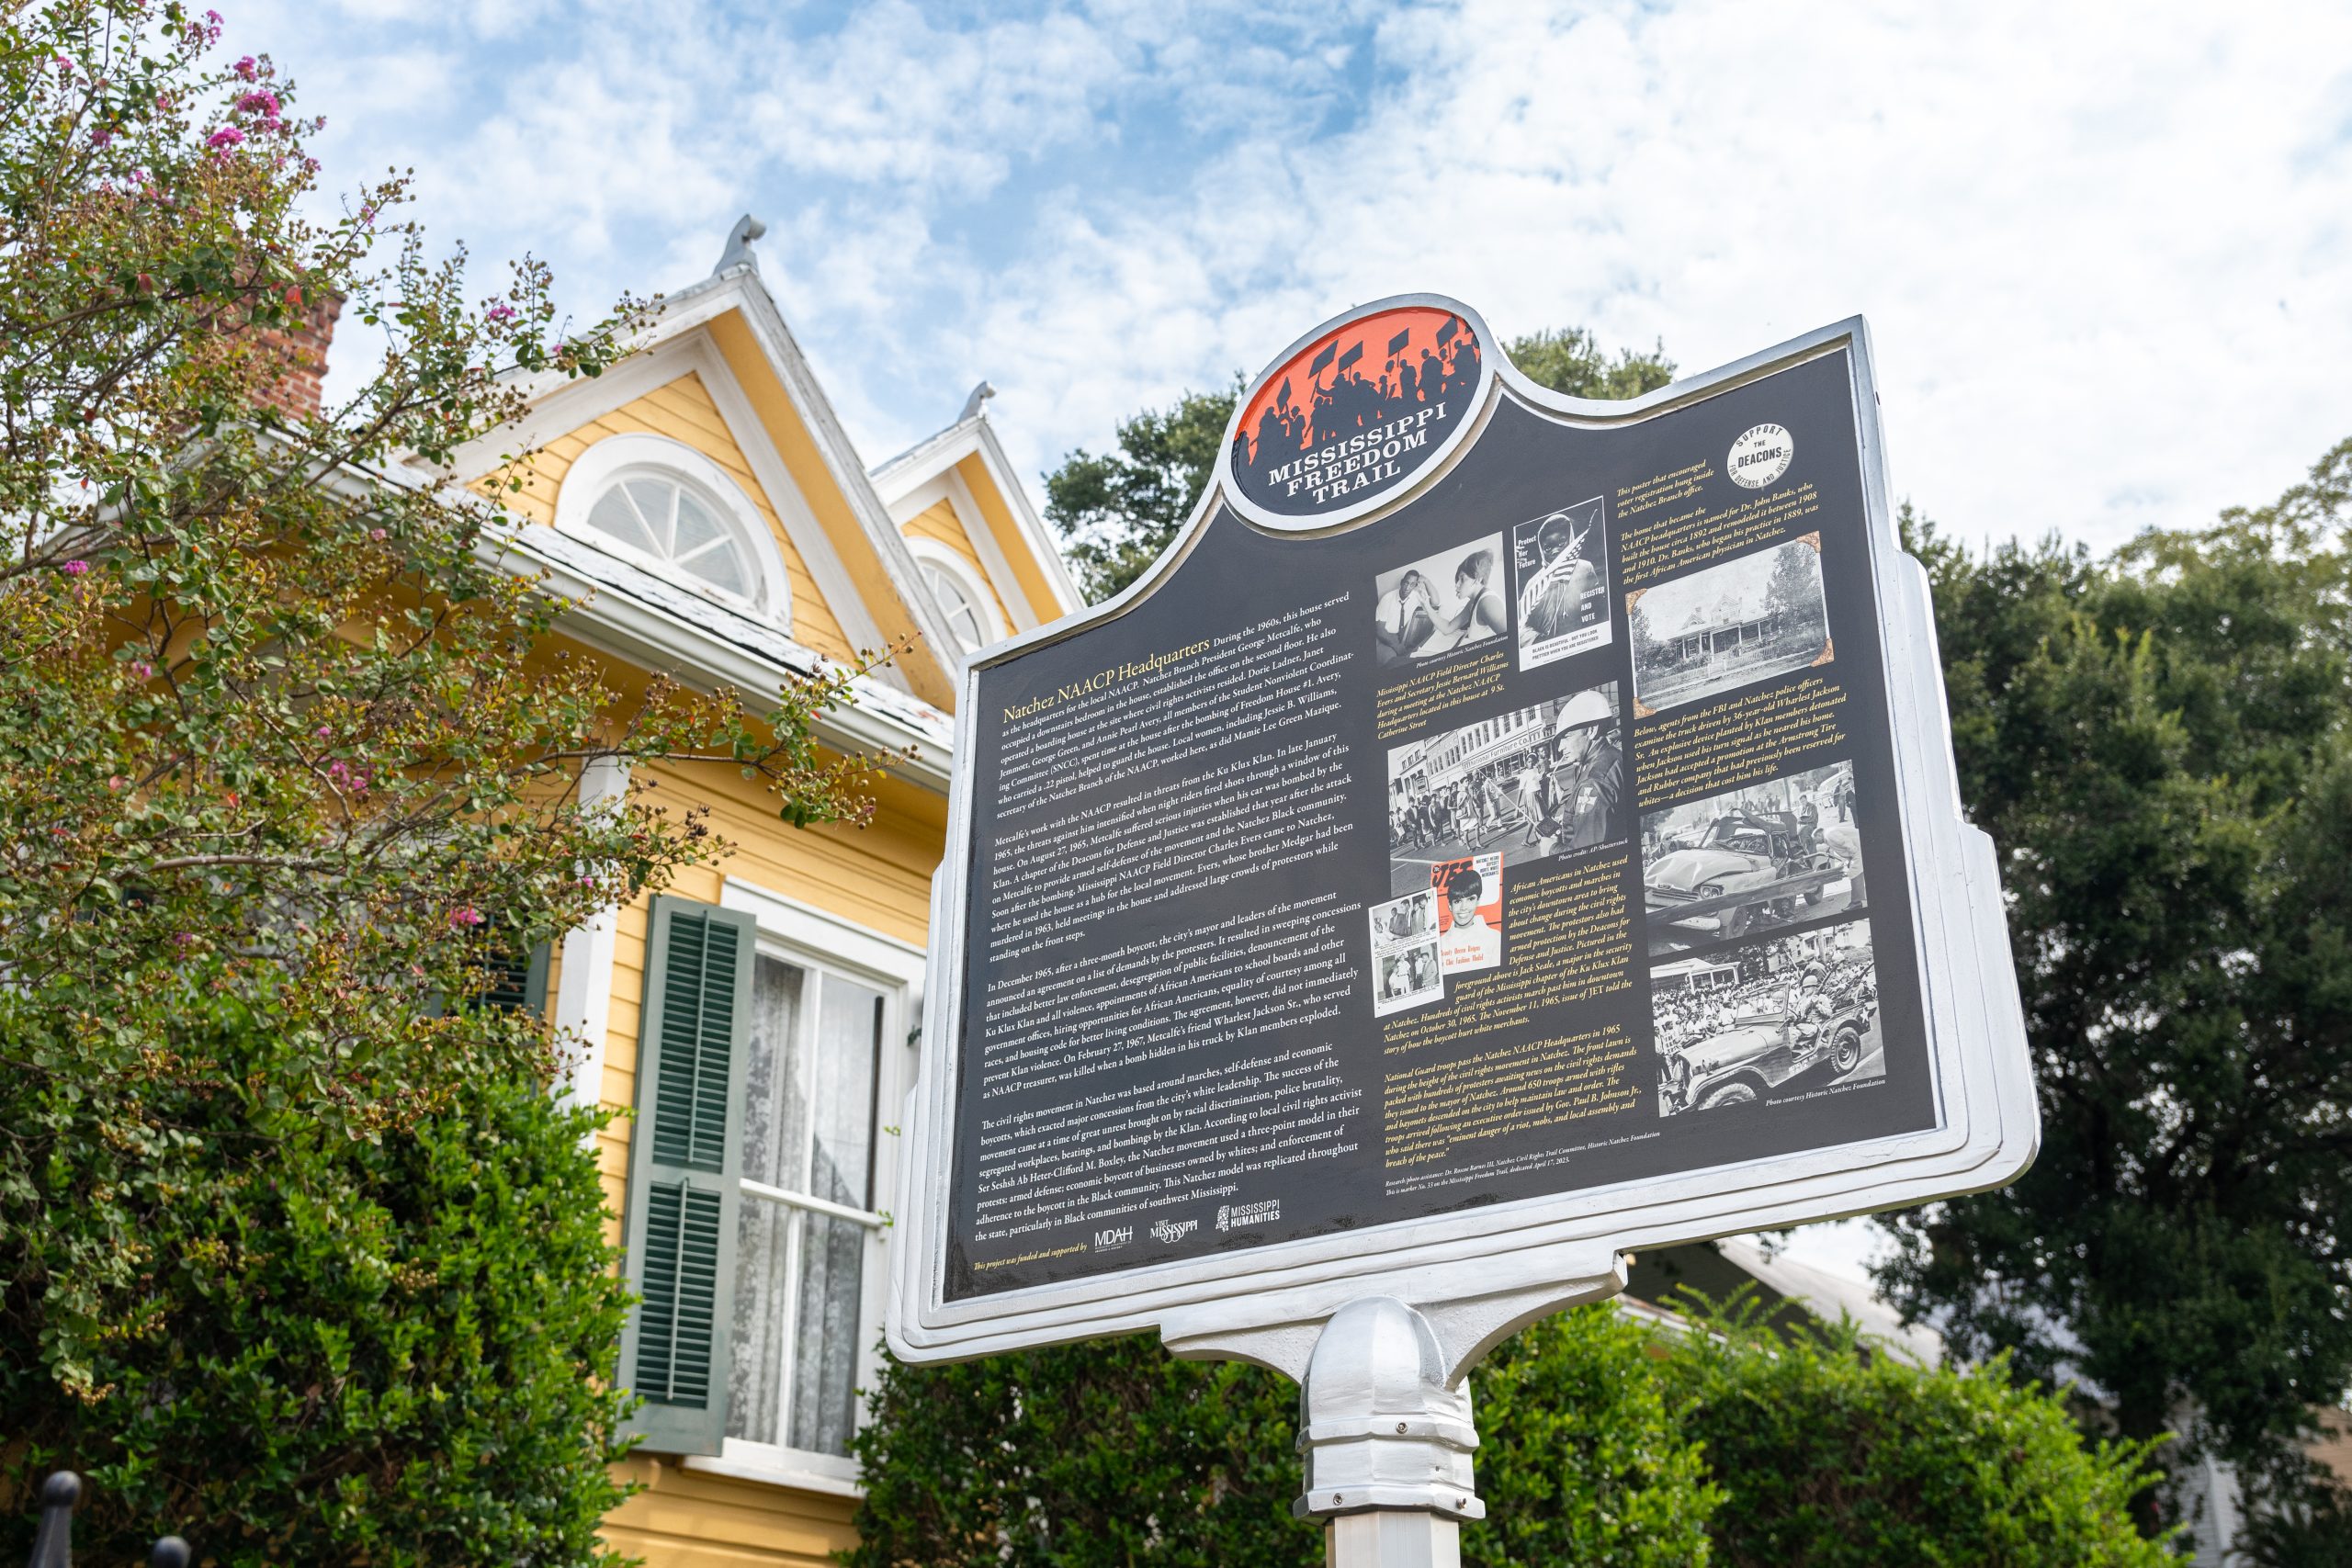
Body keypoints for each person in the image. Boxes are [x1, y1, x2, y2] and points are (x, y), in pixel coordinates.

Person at [1534, 689, 1623, 854]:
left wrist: (1551, 849)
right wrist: (1570, 819)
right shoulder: (1612, 756)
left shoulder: (1594, 782)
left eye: (1566, 737)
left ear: (1591, 730)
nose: (1560, 748)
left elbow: (1587, 855)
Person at [1520, 511, 1600, 641]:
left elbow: (1598, 609)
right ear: (1541, 550)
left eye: (1561, 542)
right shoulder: (1533, 583)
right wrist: (1537, 640)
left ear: (1571, 538)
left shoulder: (1586, 569)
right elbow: (1522, 626)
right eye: (1548, 548)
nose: (1556, 551)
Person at [1438, 548, 1508, 649]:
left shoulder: (1488, 603)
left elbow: (1512, 640)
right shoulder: (1474, 601)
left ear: (1478, 579)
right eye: (1457, 580)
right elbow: (1448, 628)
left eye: (1462, 579)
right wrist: (1425, 604)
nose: (1457, 585)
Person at [1437, 863, 1500, 970]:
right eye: (1457, 901)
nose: (1463, 907)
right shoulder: (1440, 944)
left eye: (1470, 899)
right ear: (1450, 906)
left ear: (1478, 901)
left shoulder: (1494, 937)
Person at [1375, 570, 1441, 664]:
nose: (1407, 588)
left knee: (1412, 657)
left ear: (1415, 586)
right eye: (1406, 583)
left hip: (1398, 639)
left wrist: (1426, 581)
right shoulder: (1387, 598)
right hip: (1382, 639)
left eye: (1412, 584)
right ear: (1402, 582)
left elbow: (1436, 602)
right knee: (1391, 660)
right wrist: (1397, 646)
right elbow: (1380, 630)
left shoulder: (1416, 596)